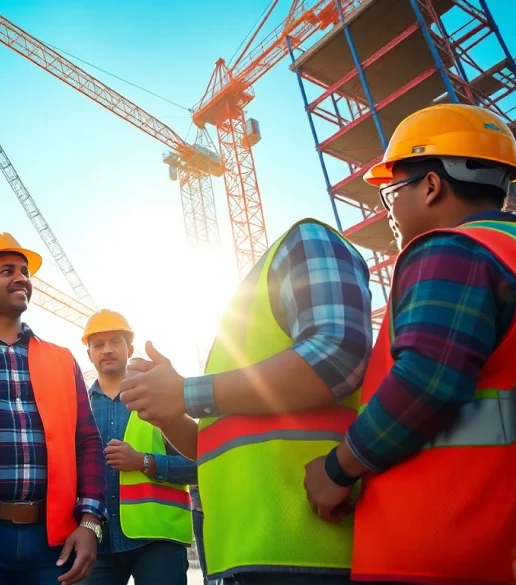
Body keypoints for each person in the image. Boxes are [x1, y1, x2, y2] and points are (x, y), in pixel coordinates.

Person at [303, 103, 516, 585]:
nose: (386, 211)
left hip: (438, 550)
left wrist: (338, 469)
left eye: (390, 194)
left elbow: (429, 379)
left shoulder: (453, 248)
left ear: (431, 186)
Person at [120, 213, 373, 584]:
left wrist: (185, 393)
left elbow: (338, 353)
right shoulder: (234, 333)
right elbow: (212, 448)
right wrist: (166, 411)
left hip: (310, 542)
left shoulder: (306, 240)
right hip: (242, 552)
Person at [0, 232, 108, 585]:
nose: (22, 279)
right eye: (7, 271)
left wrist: (90, 522)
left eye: (25, 271)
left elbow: (87, 442)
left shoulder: (62, 359)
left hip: (52, 545)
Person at [80, 309, 196, 585]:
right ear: (89, 355)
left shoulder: (161, 401)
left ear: (130, 349)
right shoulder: (78, 409)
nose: (107, 350)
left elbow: (198, 464)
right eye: (98, 344)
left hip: (158, 543)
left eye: (115, 342)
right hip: (97, 543)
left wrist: (144, 461)